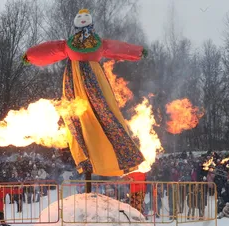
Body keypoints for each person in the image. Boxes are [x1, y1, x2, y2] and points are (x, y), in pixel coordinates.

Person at [23, 9, 146, 179]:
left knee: (105, 116)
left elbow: (118, 48)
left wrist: (137, 51)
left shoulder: (98, 43)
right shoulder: (69, 44)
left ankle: (117, 155)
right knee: (75, 121)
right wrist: (31, 55)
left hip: (94, 83)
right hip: (74, 83)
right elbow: (50, 49)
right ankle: (86, 158)